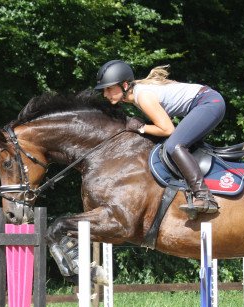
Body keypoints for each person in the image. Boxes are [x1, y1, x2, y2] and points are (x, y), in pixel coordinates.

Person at [94, 59, 225, 215]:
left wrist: (141, 128)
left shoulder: (142, 96)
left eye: (109, 88)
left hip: (209, 103)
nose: (105, 94)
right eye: (104, 90)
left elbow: (167, 129)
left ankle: (204, 196)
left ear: (125, 85)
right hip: (207, 101)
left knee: (174, 146)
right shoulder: (138, 92)